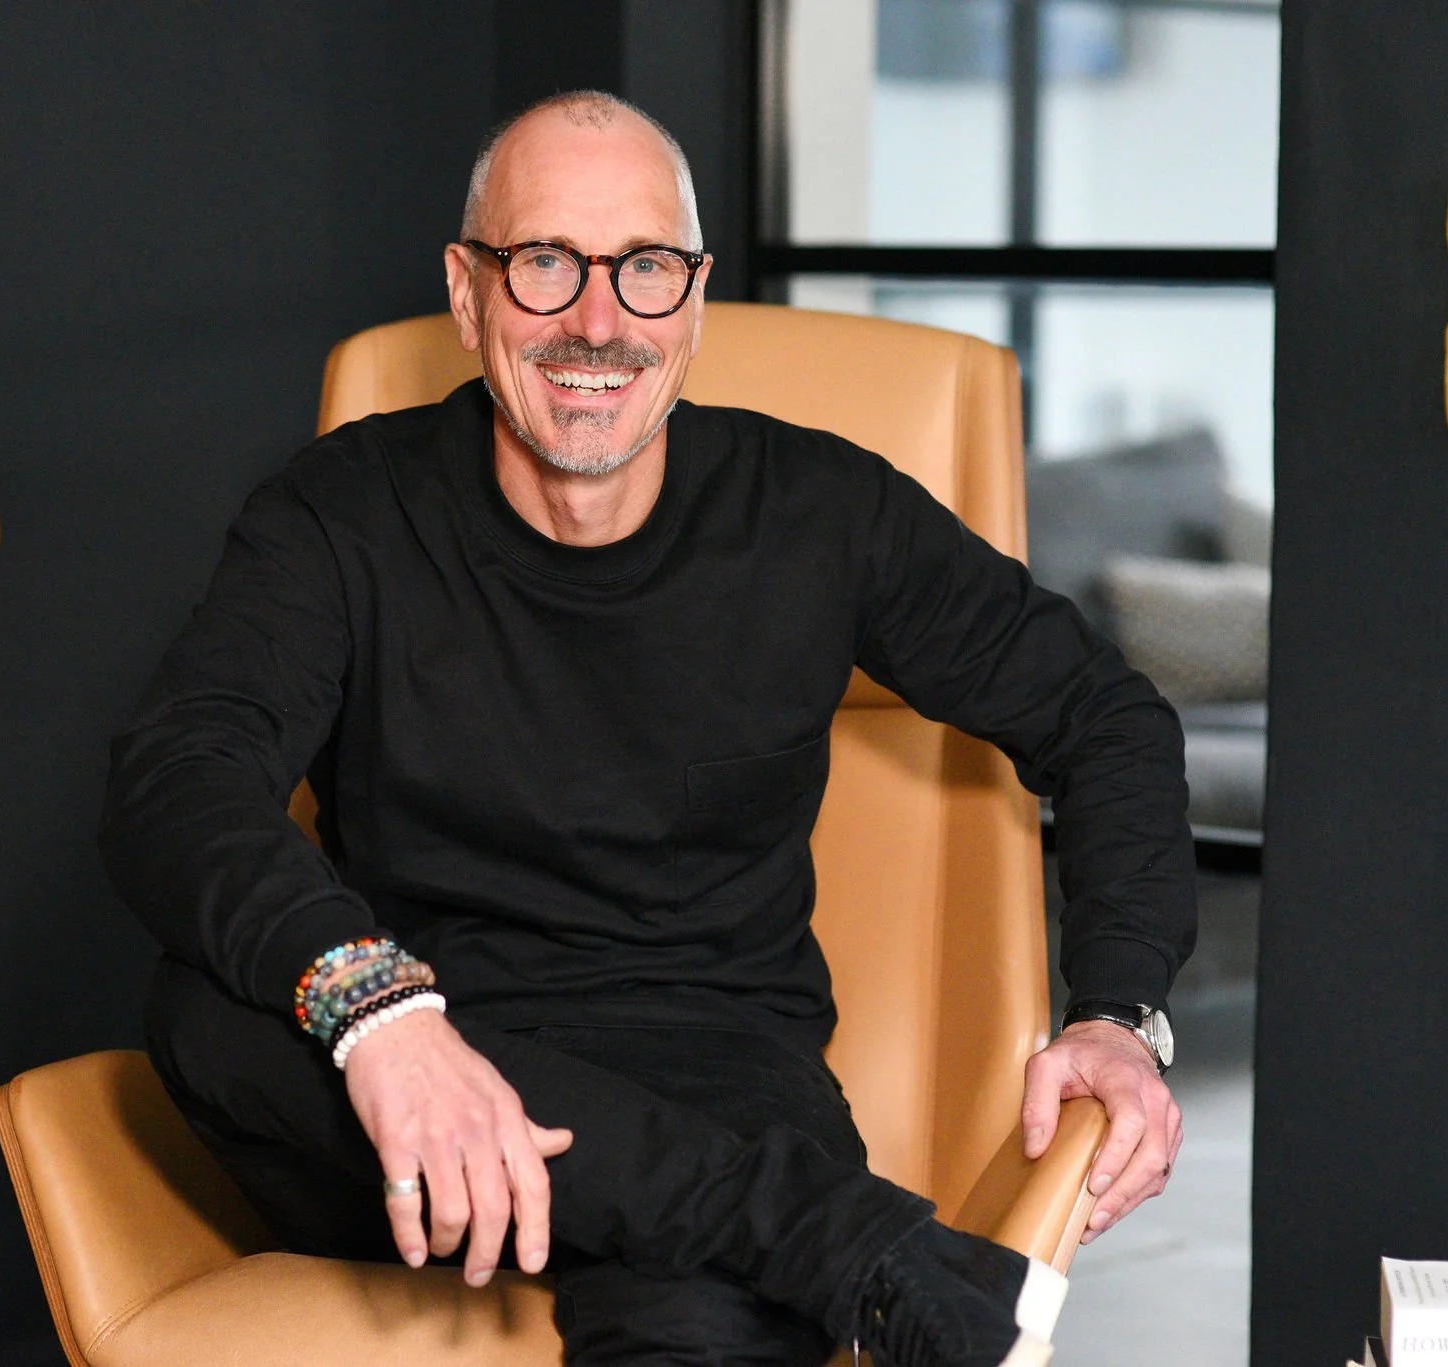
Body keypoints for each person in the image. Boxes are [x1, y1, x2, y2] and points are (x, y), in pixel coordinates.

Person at [102, 90, 1196, 1367]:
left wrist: (1119, 1011)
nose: (597, 320)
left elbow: (1102, 713)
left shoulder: (817, 509)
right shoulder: (341, 513)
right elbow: (178, 779)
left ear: (693, 303)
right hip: (420, 1069)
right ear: (467, 294)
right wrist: (386, 1017)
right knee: (207, 1006)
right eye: (545, 263)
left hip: (718, 1067)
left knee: (695, 1313)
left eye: (645, 269)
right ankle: (842, 1242)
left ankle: (769, 1226)